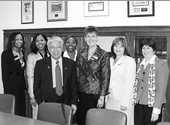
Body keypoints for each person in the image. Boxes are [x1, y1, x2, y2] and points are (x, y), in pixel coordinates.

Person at [33, 36, 78, 115]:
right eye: (52, 47)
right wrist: (40, 102)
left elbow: (74, 86)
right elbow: (36, 86)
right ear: (49, 49)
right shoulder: (40, 64)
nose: (55, 50)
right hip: (47, 101)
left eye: (58, 47)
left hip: (66, 101)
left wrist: (74, 103)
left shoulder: (71, 64)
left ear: (62, 48)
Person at [76, 26, 110, 125]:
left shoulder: (103, 55)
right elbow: (77, 73)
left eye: (93, 36)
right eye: (88, 36)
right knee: (82, 120)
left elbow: (105, 77)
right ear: (85, 38)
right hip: (82, 94)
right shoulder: (81, 52)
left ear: (97, 38)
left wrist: (102, 96)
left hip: (96, 95)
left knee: (95, 121)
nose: (91, 39)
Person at [133, 38, 169, 125]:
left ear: (154, 50)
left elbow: (161, 89)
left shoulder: (161, 64)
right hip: (138, 104)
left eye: (148, 48)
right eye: (143, 48)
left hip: (153, 105)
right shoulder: (139, 65)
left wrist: (156, 110)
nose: (145, 50)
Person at [105, 37, 136, 125]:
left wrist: (125, 103)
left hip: (122, 99)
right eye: (116, 46)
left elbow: (129, 83)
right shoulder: (110, 60)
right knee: (111, 122)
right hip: (110, 98)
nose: (118, 49)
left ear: (125, 48)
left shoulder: (129, 61)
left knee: (124, 122)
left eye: (121, 46)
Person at [1, 32, 26, 116]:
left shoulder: (22, 53)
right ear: (12, 41)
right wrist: (7, 90)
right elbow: (4, 74)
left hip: (21, 86)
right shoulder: (6, 54)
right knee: (13, 111)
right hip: (11, 86)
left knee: (22, 110)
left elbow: (22, 69)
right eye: (17, 39)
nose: (19, 41)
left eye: (21, 39)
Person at [26, 33, 49, 119]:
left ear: (46, 41)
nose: (40, 43)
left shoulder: (51, 54)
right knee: (37, 116)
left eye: (42, 40)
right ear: (34, 43)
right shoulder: (31, 56)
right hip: (37, 91)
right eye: (37, 41)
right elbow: (30, 77)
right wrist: (32, 96)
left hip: (50, 91)